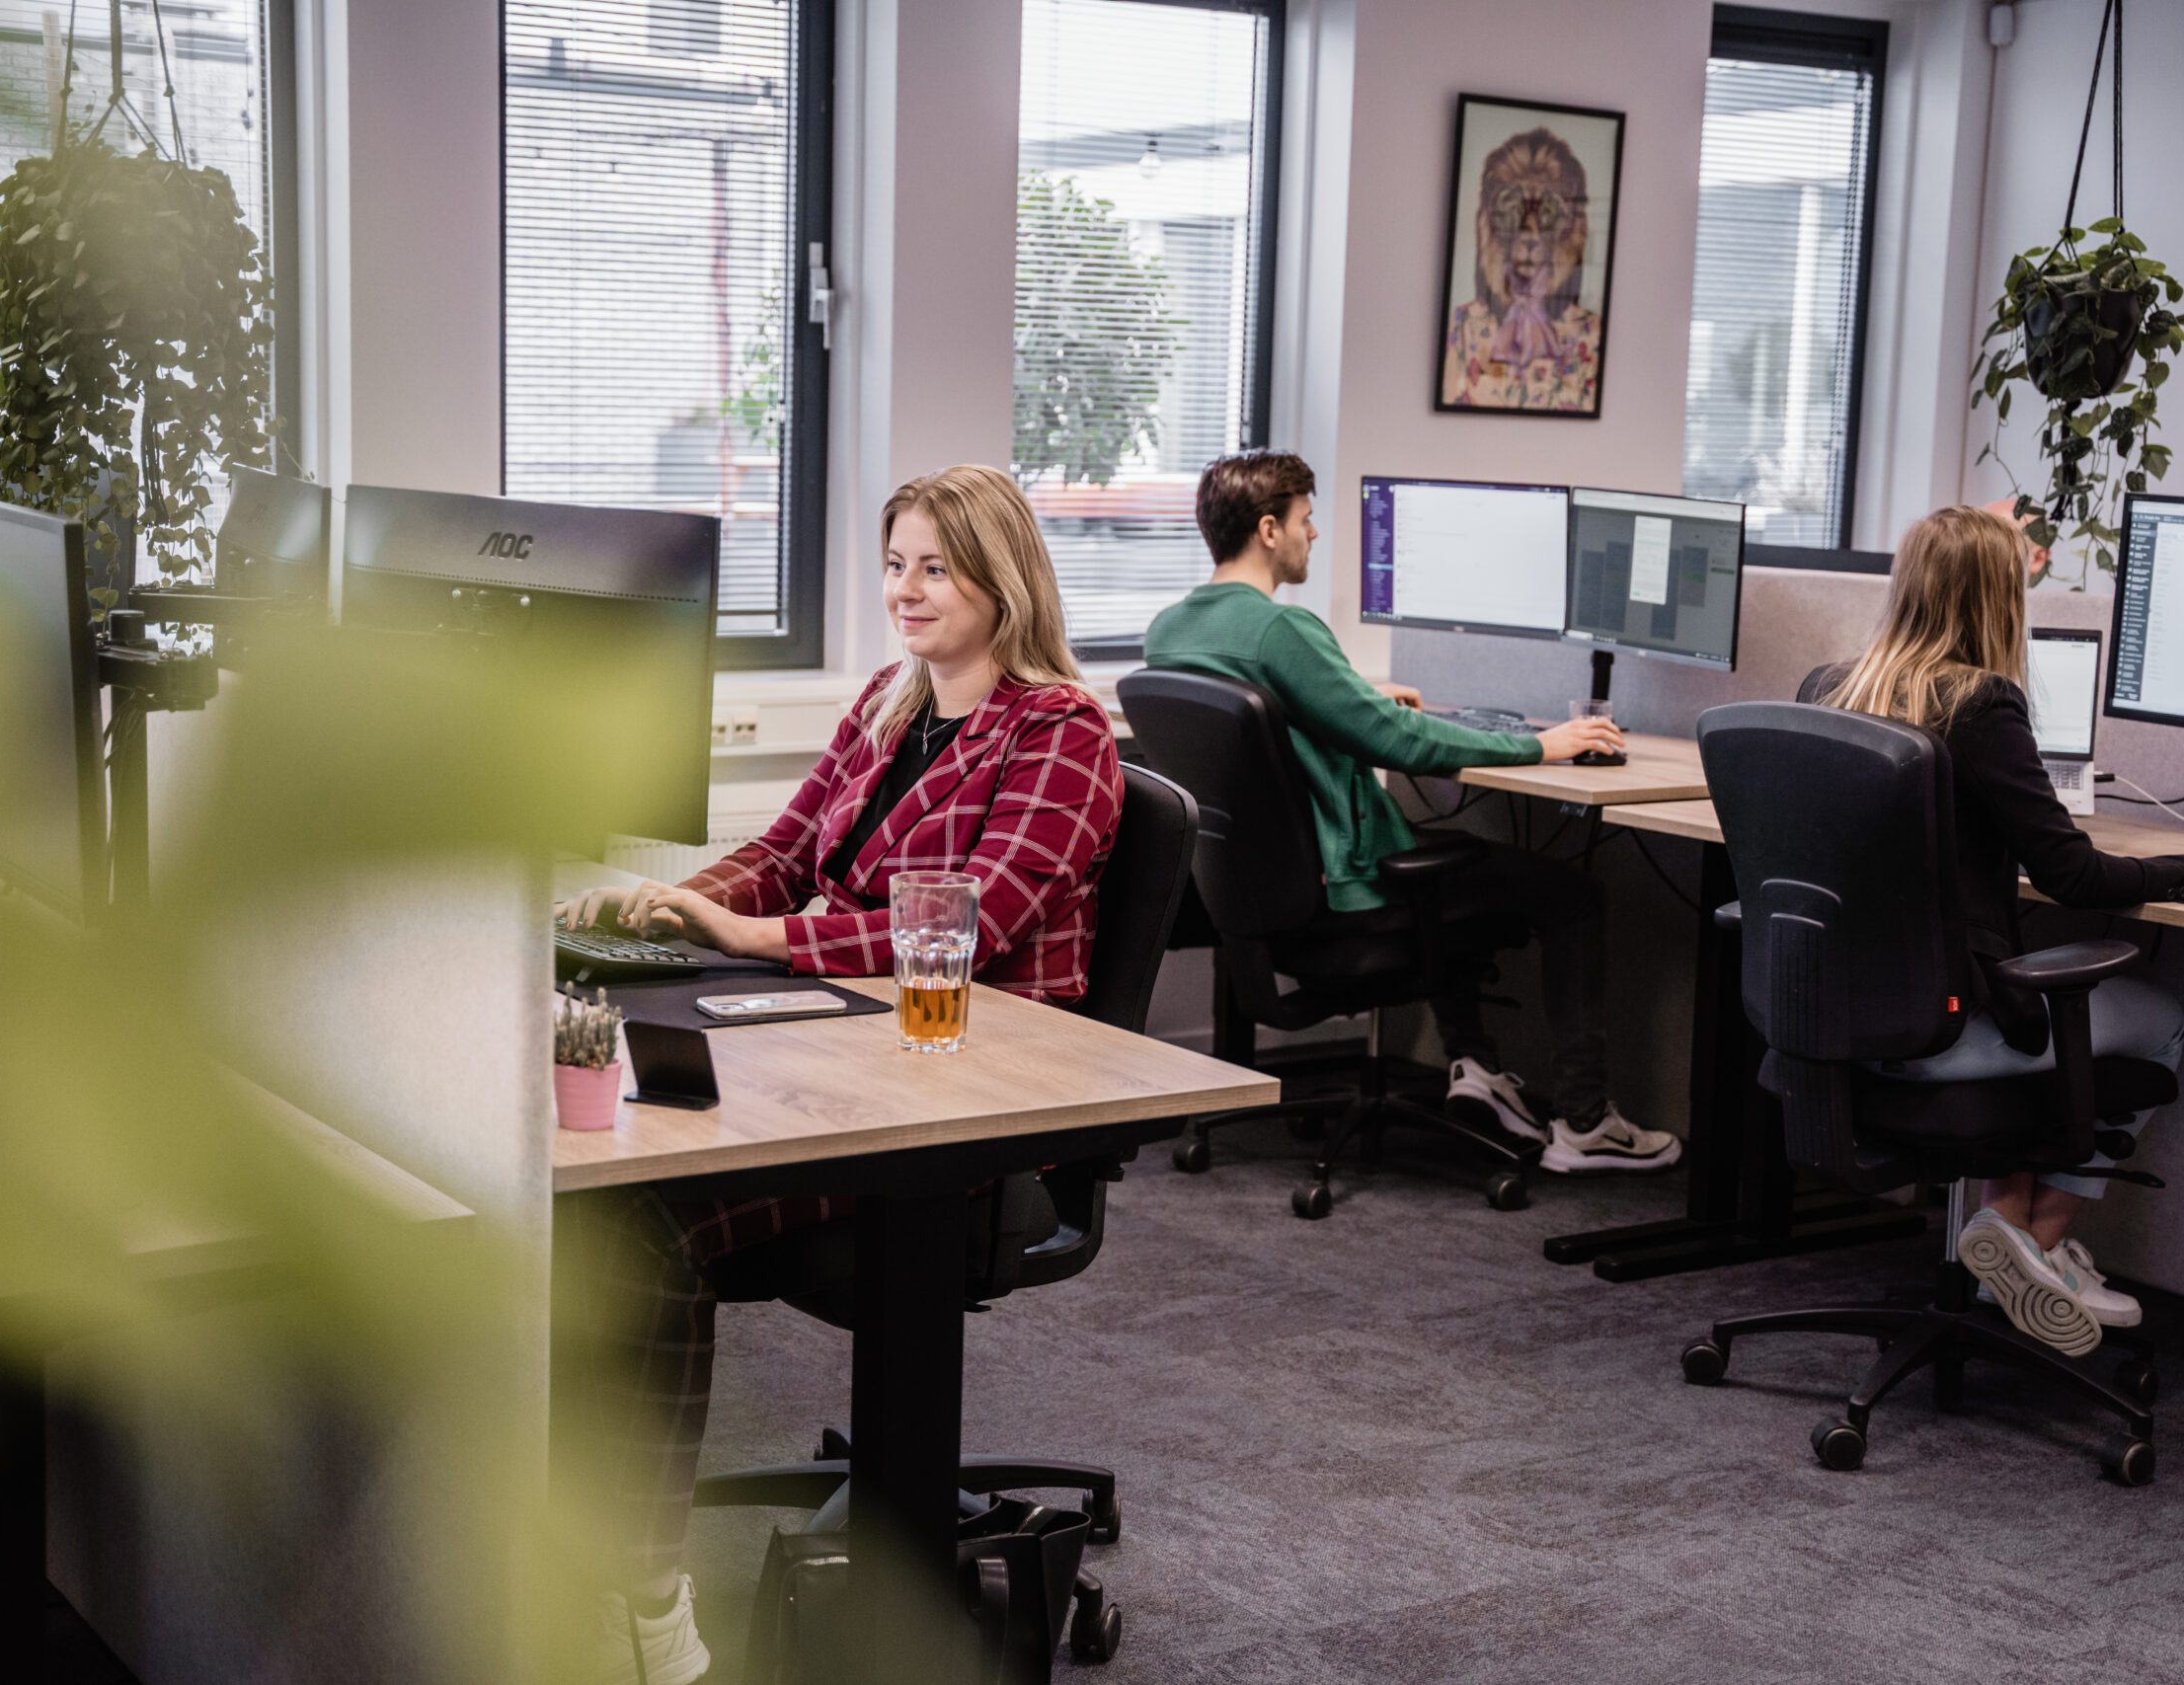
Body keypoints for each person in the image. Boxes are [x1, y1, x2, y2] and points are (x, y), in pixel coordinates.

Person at [553, 465, 1124, 1684]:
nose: (904, 591)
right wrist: (675, 903)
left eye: (935, 568)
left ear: (1002, 580)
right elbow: (784, 848)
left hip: (969, 1106)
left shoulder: (1061, 734)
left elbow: (973, 922)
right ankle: (588, 1564)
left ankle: (644, 1611)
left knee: (644, 1221)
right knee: (594, 1192)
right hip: (850, 1049)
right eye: (894, 564)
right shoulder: (888, 699)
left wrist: (757, 939)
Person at [1142, 449, 1677, 1175]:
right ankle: (1585, 1122)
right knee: (1569, 892)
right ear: (1268, 530)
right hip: (1345, 891)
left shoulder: (1171, 628)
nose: (1314, 534)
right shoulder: (1281, 629)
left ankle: (1476, 1066)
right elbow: (1401, 742)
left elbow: (1272, 708)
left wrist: (1356, 698)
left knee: (1444, 859)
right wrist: (1540, 744)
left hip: (1260, 893)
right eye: (1305, 519)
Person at [1803, 503, 2184, 1356]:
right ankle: (2037, 1246)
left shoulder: (1831, 690)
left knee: (2027, 990)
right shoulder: (1983, 705)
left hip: (1842, 1030)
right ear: (2002, 600)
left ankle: (2004, 1228)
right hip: (1946, 1038)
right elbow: (2074, 876)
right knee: (2160, 1017)